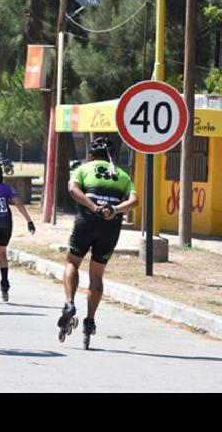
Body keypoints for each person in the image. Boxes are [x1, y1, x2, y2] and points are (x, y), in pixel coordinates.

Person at [58, 136, 139, 342]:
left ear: (91, 155)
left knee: (72, 262)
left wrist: (93, 206)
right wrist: (114, 209)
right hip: (110, 227)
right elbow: (134, 200)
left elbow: (72, 189)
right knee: (97, 275)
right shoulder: (122, 174)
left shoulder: (83, 169)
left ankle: (69, 303)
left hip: (87, 221)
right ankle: (90, 320)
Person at [0, 160, 36, 303]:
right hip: (6, 222)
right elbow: (19, 204)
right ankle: (4, 283)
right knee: (2, 252)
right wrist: (29, 220)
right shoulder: (8, 188)